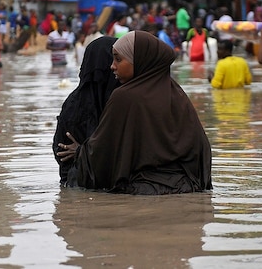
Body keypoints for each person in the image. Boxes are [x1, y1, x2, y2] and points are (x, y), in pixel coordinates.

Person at [57, 31, 212, 195]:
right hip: (189, 188)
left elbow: (104, 151)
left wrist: (80, 153)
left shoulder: (124, 97)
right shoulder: (177, 94)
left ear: (139, 60)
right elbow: (201, 149)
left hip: (143, 191)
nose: (112, 66)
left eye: (118, 59)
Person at [52, 36, 121, 185]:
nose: (114, 66)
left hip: (75, 184)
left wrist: (81, 152)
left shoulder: (73, 102)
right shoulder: (118, 100)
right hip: (86, 184)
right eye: (114, 60)